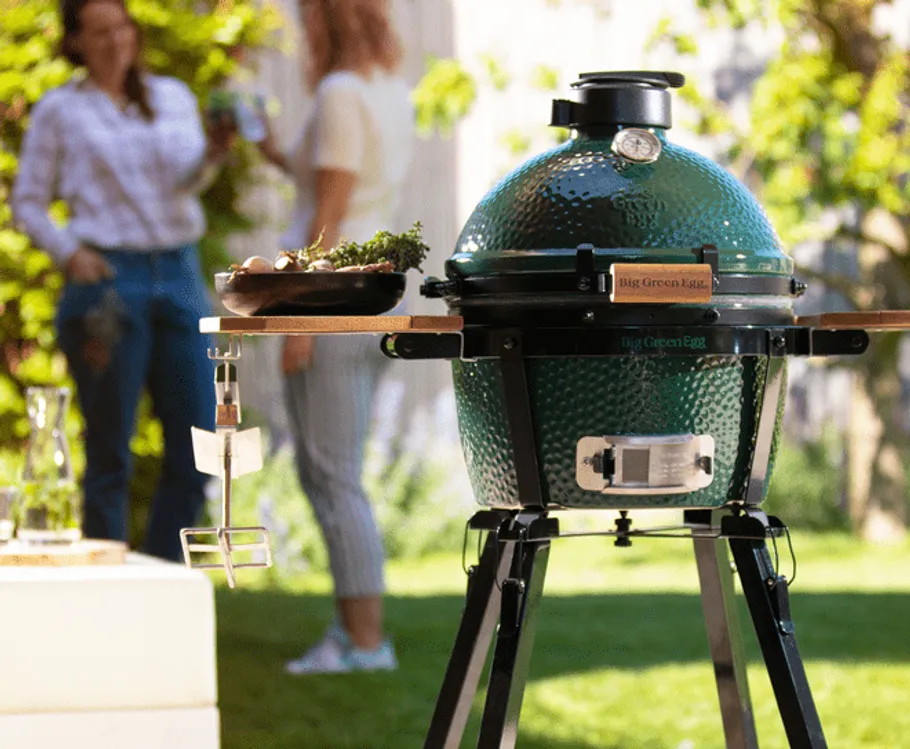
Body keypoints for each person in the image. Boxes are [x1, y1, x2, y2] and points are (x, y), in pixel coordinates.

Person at [11, 0, 233, 562]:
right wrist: (69, 253)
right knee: (110, 452)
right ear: (76, 43)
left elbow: (186, 181)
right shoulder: (61, 110)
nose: (114, 40)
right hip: (108, 280)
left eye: (121, 27)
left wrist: (213, 153)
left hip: (178, 272)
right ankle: (105, 586)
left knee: (199, 449)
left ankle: (160, 576)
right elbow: (29, 202)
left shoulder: (172, 98)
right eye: (99, 31)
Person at [257, 0, 414, 674]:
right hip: (367, 298)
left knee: (332, 475)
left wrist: (301, 317)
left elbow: (330, 215)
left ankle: (366, 642)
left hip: (334, 302)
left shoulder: (342, 93)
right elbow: (322, 180)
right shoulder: (384, 90)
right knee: (329, 471)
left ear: (323, 19)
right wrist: (260, 138)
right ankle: (352, 632)